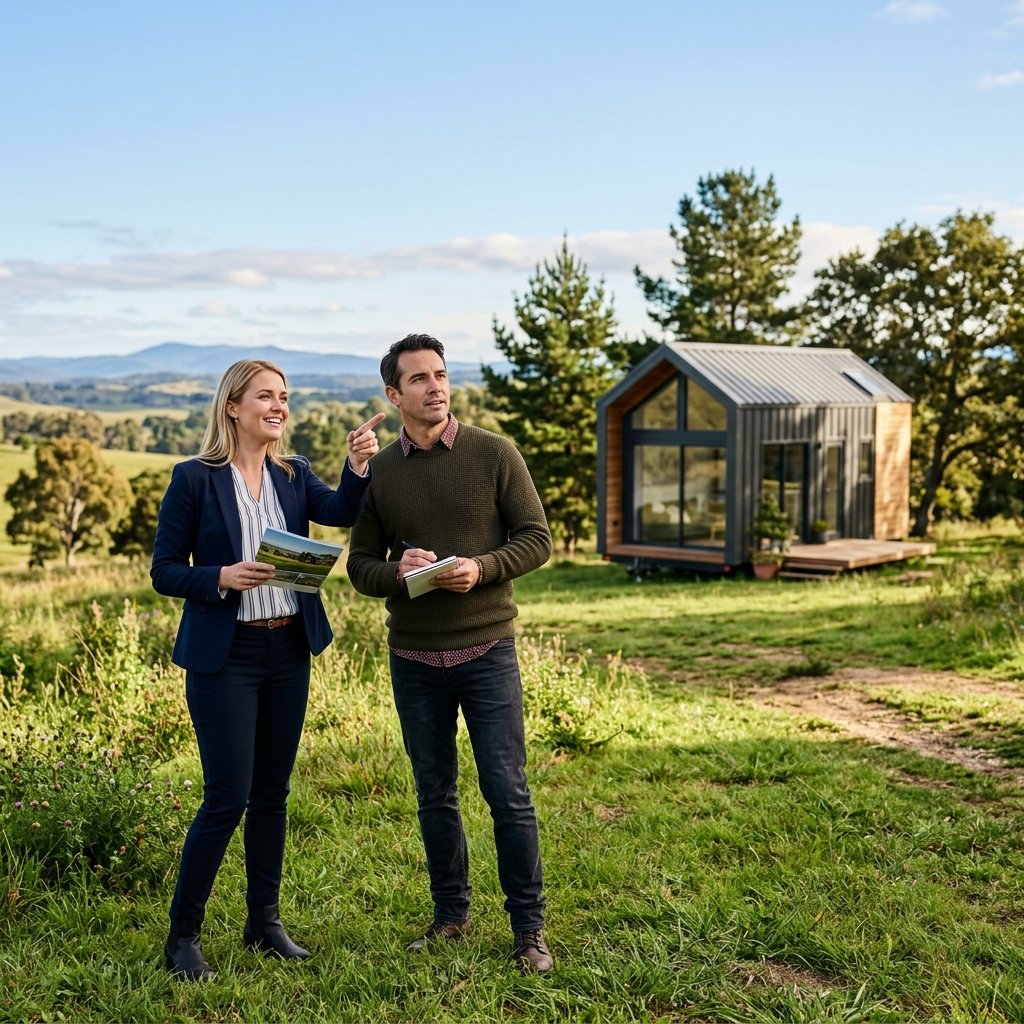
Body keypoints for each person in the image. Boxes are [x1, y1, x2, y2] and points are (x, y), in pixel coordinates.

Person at [151, 358, 384, 981]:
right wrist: (219, 577)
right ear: (233, 406)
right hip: (224, 658)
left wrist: (358, 466)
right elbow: (164, 569)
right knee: (226, 796)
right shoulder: (194, 480)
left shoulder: (292, 474)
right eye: (266, 397)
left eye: (284, 397)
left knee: (272, 795)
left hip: (287, 650)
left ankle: (264, 922)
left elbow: (338, 513)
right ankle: (183, 936)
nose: (279, 406)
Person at [346, 334, 555, 973]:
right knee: (434, 792)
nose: (435, 387)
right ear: (393, 394)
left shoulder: (495, 453)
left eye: (440, 375)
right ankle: (451, 915)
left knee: (506, 790)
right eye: (419, 379)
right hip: (413, 656)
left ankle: (528, 931)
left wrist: (483, 568)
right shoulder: (381, 473)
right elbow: (358, 566)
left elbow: (536, 539)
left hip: (487, 648)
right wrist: (395, 568)